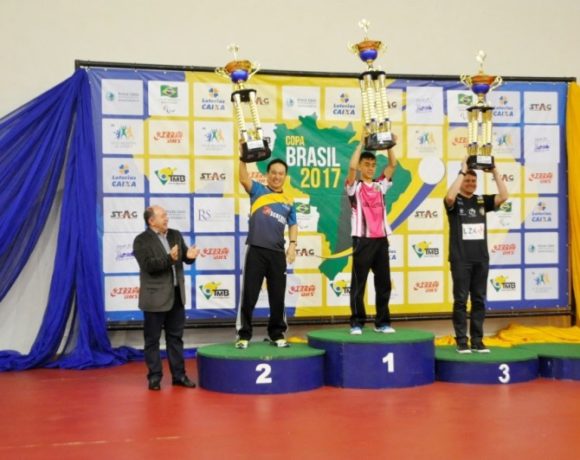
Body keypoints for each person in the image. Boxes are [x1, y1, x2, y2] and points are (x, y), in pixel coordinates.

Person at [444, 158, 508, 353]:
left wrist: (494, 171)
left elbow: (504, 196)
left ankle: (477, 341)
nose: (471, 183)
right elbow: (449, 197)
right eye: (467, 181)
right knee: (461, 301)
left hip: (481, 259)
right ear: (461, 181)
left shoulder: (481, 200)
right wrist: (462, 171)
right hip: (461, 260)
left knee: (479, 301)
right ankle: (462, 341)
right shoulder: (454, 201)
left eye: (474, 181)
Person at [133, 205, 200, 390]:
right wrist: (169, 259)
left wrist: (190, 256)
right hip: (154, 298)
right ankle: (154, 377)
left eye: (166, 215)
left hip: (176, 297)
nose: (166, 218)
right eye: (162, 216)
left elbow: (184, 257)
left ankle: (179, 376)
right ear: (151, 221)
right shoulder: (141, 240)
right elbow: (148, 266)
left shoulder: (175, 234)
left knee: (175, 339)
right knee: (152, 340)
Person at [235, 156, 298, 349]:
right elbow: (243, 178)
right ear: (267, 174)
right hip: (256, 250)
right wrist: (242, 159)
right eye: (274, 173)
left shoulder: (289, 201)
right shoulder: (258, 190)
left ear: (285, 176)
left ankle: (277, 334)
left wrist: (292, 245)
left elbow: (293, 224)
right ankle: (244, 335)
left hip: (277, 254)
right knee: (249, 295)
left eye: (281, 174)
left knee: (278, 296)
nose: (277, 177)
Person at [345, 136, 398, 335]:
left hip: (381, 240)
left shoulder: (380, 184)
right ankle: (357, 323)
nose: (370, 168)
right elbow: (351, 167)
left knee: (383, 283)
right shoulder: (354, 186)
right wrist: (361, 143)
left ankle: (382, 323)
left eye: (373, 165)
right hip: (362, 239)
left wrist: (390, 145)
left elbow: (392, 165)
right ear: (360, 166)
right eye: (366, 164)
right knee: (359, 284)